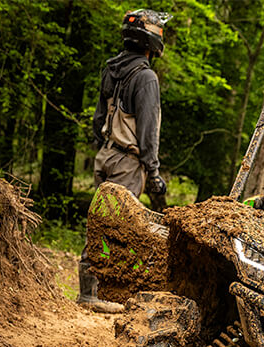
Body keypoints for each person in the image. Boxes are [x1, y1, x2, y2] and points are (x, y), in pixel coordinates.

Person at [79, 8, 171, 311]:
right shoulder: (145, 77)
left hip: (105, 155)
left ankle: (90, 289)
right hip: (127, 162)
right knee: (119, 228)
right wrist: (153, 170)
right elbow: (148, 130)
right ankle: (102, 295)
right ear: (152, 42)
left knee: (100, 223)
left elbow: (97, 117)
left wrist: (102, 146)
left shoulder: (111, 69)